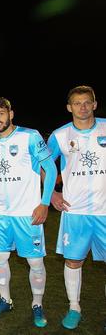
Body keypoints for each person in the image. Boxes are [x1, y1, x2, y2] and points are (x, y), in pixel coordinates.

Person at [0, 97, 57, 328]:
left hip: (28, 212)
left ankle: (37, 304)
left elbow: (51, 169)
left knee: (35, 261)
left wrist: (44, 203)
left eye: (1, 114)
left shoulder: (30, 136)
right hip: (2, 215)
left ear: (11, 114)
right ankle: (5, 300)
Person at [47, 85, 105, 330]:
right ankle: (74, 307)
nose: (82, 107)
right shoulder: (59, 135)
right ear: (69, 107)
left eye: (86, 102)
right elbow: (45, 166)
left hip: (105, 210)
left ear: (94, 104)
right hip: (75, 211)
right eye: (77, 103)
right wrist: (51, 193)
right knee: (73, 261)